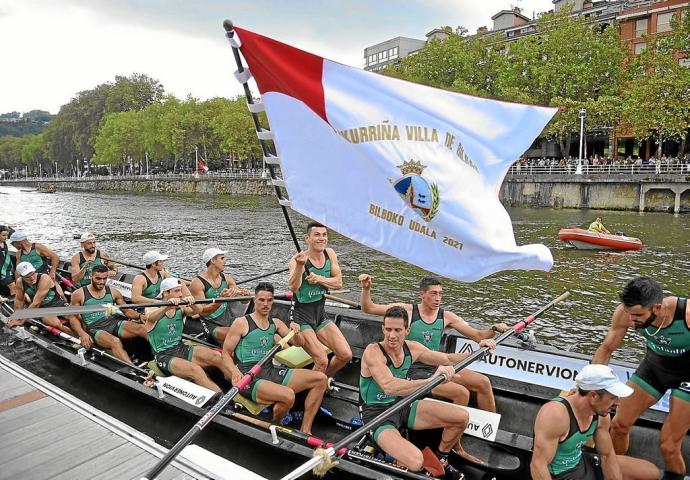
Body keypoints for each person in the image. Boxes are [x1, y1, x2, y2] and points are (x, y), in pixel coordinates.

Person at [360, 306, 494, 479]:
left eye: (398, 330)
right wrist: (430, 381)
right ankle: (385, 452)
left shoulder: (413, 348)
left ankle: (442, 458)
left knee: (461, 418)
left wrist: (478, 351)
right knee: (416, 462)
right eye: (388, 329)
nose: (392, 335)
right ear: (383, 329)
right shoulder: (373, 352)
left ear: (407, 330)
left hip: (403, 405)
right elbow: (389, 386)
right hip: (377, 414)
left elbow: (448, 359)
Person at [359, 274, 507, 414]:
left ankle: (490, 434)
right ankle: (451, 436)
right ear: (422, 294)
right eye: (433, 294)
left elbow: (478, 336)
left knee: (483, 382)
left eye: (440, 294)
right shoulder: (407, 311)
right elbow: (369, 308)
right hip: (412, 369)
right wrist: (366, 289)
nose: (438, 298)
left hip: (436, 363)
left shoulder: (447, 317)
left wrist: (493, 329)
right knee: (461, 393)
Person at [592, 277, 689, 480]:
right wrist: (590, 386)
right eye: (628, 313)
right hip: (656, 367)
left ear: (657, 307)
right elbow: (607, 349)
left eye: (637, 315)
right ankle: (613, 473)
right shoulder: (625, 313)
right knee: (618, 425)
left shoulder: (687, 315)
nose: (631, 319)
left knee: (669, 444)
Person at [222, 282, 328, 434]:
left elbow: (299, 343)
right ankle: (275, 424)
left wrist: (296, 332)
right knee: (288, 395)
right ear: (254, 300)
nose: (266, 304)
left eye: (269, 300)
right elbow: (226, 353)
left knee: (321, 379)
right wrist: (234, 371)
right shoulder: (241, 323)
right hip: (248, 377)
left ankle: (305, 430)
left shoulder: (275, 323)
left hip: (268, 370)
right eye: (261, 300)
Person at [531, 363, 660, 480]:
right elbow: (538, 465)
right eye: (613, 397)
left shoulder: (602, 415)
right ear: (593, 396)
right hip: (560, 475)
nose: (618, 403)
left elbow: (607, 455)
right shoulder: (555, 414)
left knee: (651, 473)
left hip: (581, 463)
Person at [144, 277, 233, 392]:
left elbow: (198, 311)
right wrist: (167, 306)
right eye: (177, 291)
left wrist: (192, 302)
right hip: (164, 356)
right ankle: (222, 400)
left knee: (216, 356)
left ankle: (239, 388)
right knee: (196, 370)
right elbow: (150, 317)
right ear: (166, 293)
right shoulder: (151, 308)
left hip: (181, 348)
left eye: (181, 291)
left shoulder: (181, 309)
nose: (180, 295)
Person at [287, 222, 352, 376]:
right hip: (301, 317)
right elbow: (293, 287)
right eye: (317, 235)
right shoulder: (298, 259)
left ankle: (322, 381)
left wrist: (319, 279)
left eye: (324, 235)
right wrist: (299, 267)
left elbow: (338, 283)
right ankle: (312, 388)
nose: (321, 238)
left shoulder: (330, 254)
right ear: (307, 238)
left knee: (345, 355)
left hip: (320, 314)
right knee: (321, 360)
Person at [68, 264, 147, 364]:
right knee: (115, 342)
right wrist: (82, 334)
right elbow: (72, 318)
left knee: (143, 329)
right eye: (98, 278)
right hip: (95, 328)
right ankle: (135, 370)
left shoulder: (113, 292)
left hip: (112, 322)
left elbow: (126, 311)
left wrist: (139, 316)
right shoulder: (79, 294)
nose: (101, 282)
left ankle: (161, 358)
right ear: (91, 276)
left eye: (104, 278)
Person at [190, 248, 250, 344]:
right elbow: (202, 312)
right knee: (242, 336)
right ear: (213, 260)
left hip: (228, 319)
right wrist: (221, 300)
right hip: (211, 325)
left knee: (254, 331)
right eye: (222, 258)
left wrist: (245, 295)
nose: (225, 261)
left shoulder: (228, 279)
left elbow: (243, 301)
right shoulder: (197, 283)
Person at [7, 261, 73, 334]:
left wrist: (22, 320)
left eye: (33, 274)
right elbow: (19, 300)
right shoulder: (20, 282)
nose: (32, 278)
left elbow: (36, 303)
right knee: (56, 324)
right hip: (42, 309)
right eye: (28, 277)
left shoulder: (44, 278)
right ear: (21, 276)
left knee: (77, 317)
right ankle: (72, 336)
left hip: (57, 304)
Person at [0, 225, 15, 297]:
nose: (6, 237)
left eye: (7, 235)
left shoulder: (4, 243)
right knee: (13, 287)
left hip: (7, 269)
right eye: (3, 235)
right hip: (2, 271)